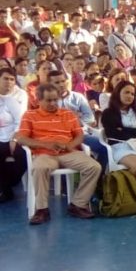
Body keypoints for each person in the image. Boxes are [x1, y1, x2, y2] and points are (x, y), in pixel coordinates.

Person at [15, 83, 102, 224]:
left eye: (55, 100)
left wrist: (69, 145)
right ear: (38, 100)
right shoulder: (30, 115)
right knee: (39, 168)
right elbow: (21, 138)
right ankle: (42, 209)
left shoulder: (68, 114)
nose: (53, 103)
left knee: (94, 167)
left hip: (68, 152)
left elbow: (79, 135)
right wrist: (46, 144)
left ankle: (78, 204)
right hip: (44, 153)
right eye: (48, 100)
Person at [0, 67, 27, 202]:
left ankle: (8, 185)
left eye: (12, 79)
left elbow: (21, 119)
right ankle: (5, 190)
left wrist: (15, 138)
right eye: (5, 78)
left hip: (15, 134)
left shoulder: (20, 95)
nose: (9, 82)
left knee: (22, 156)